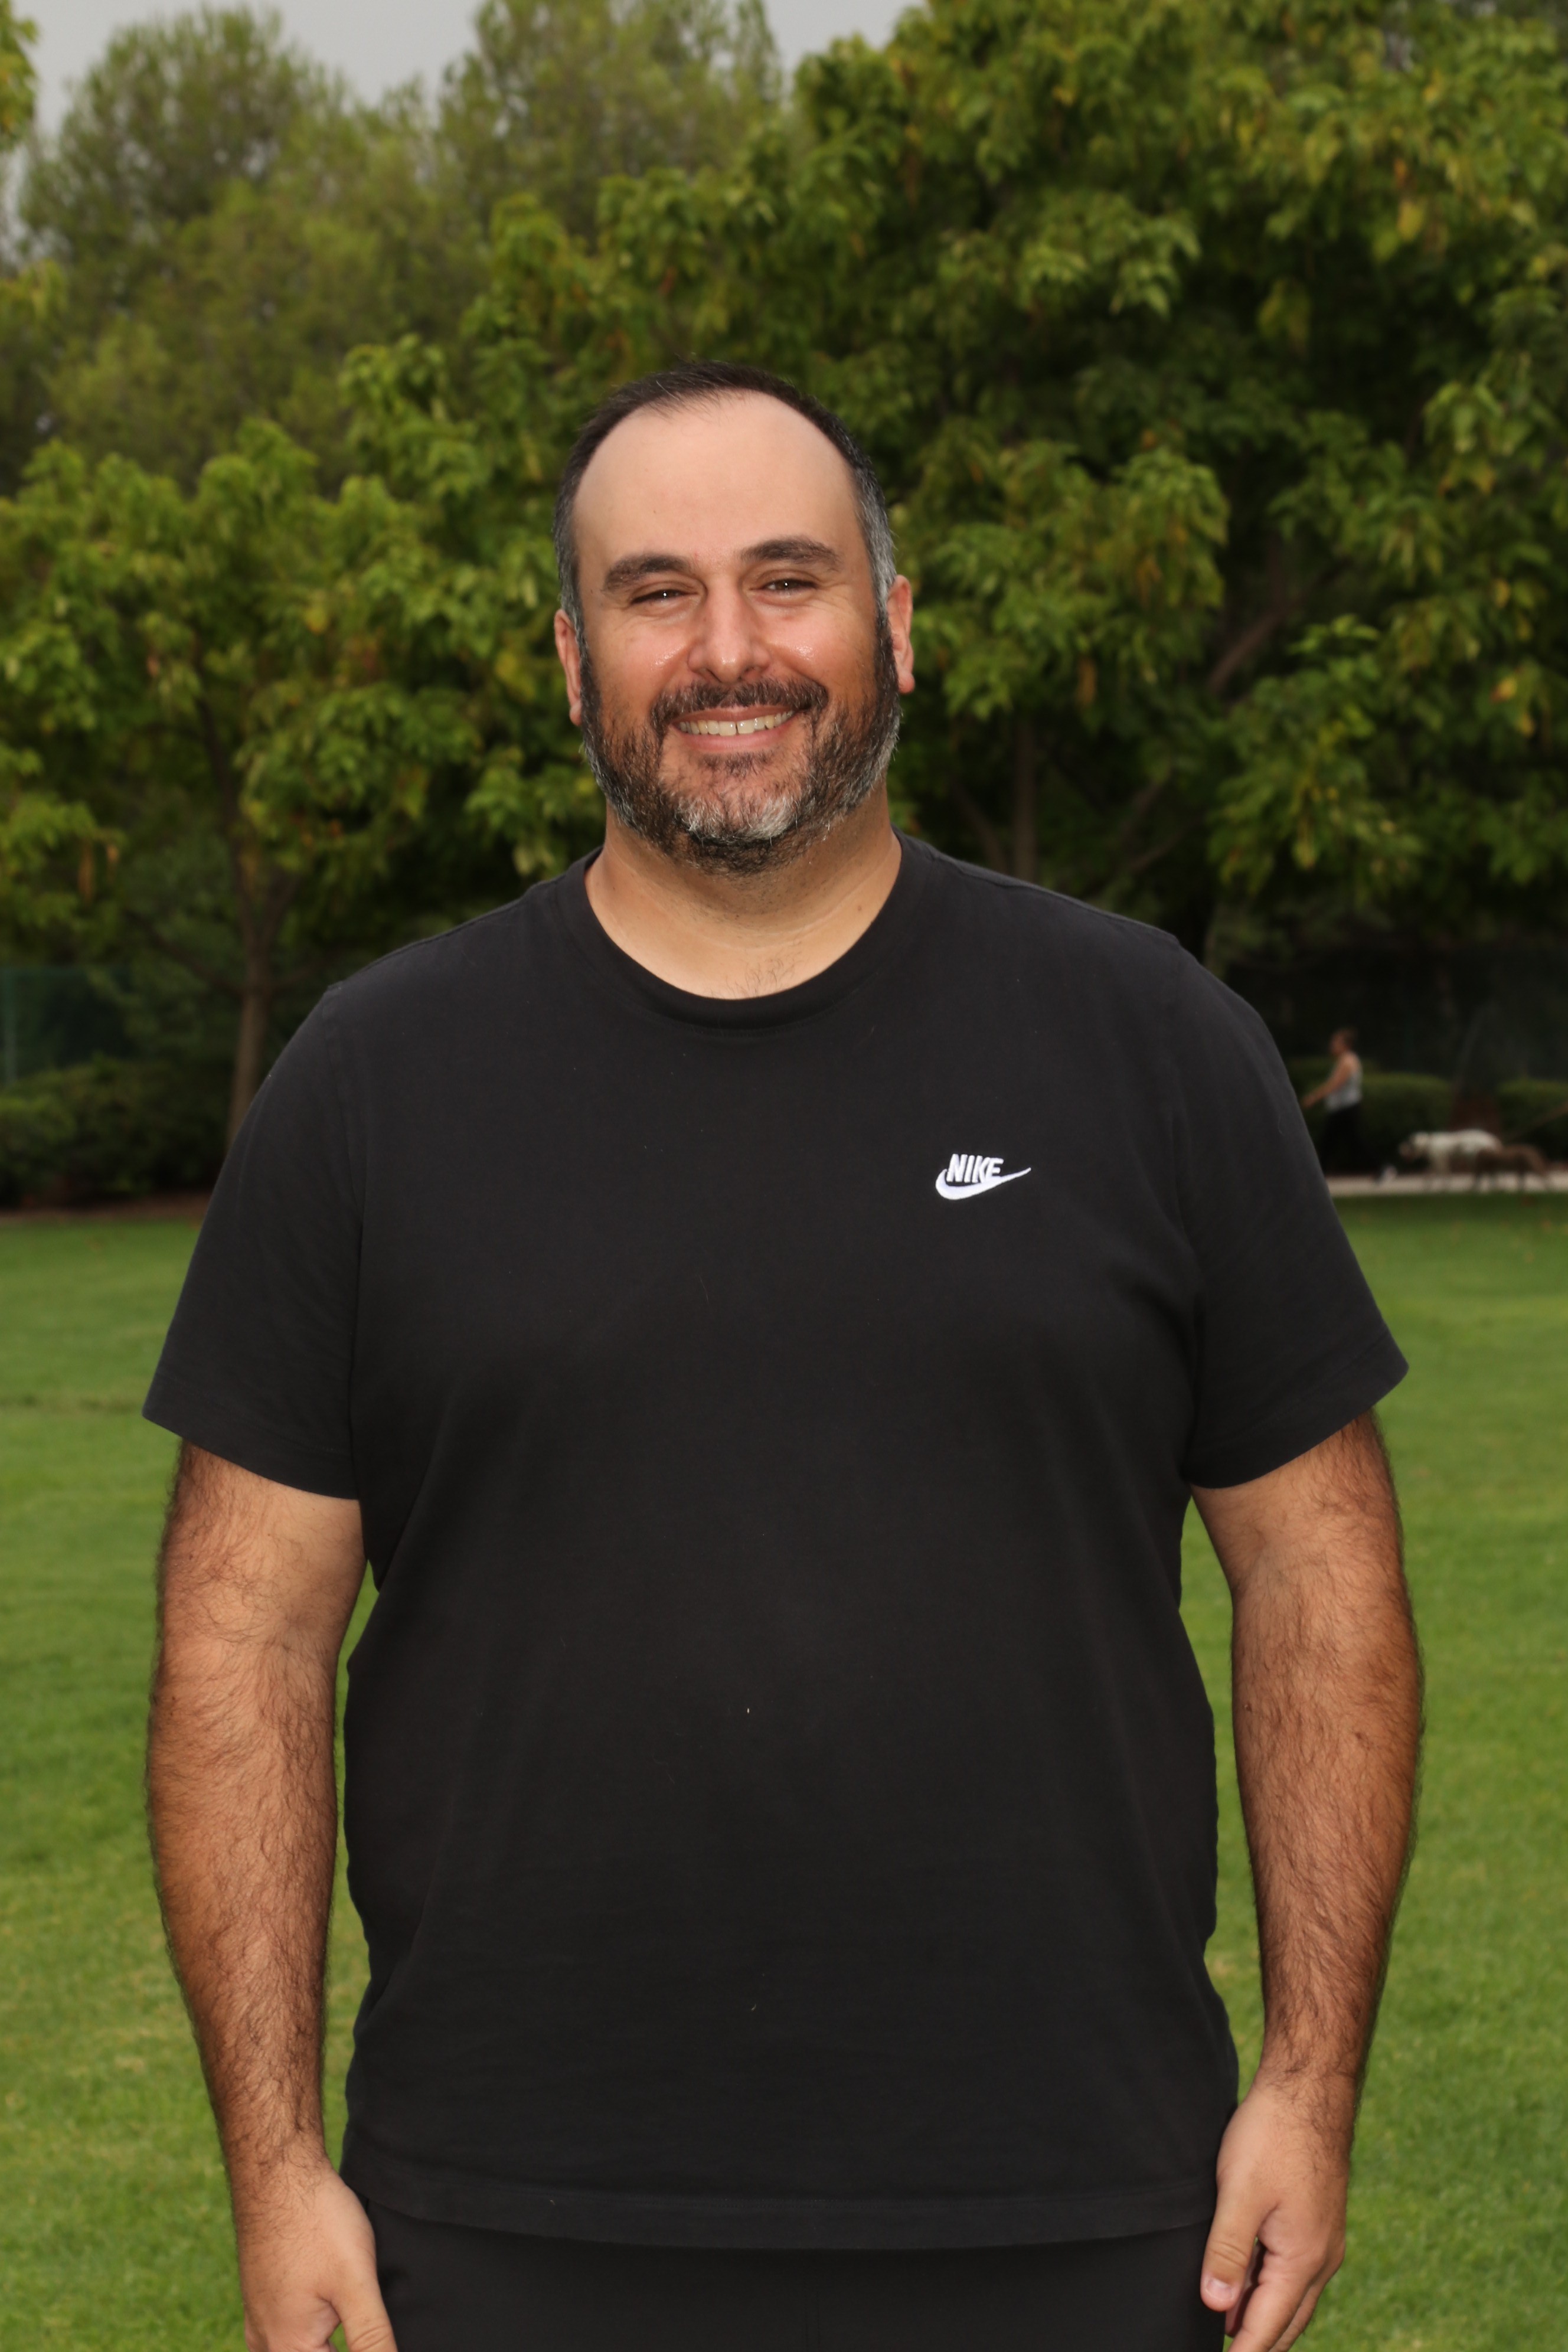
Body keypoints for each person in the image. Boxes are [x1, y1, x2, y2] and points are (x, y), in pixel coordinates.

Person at [144, 363, 1421, 2352]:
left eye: (786, 578)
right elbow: (243, 1640)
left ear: (893, 624)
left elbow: (1321, 1573)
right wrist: (275, 2159)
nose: (726, 649)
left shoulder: (1149, 1043)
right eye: (655, 592)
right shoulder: (372, 1088)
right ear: (572, 660)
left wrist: (1313, 2079)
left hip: (1080, 2207)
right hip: (498, 2221)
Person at [1301, 1031, 1371, 1174]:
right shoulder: (1344, 1060)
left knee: (1348, 1142)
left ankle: (1380, 1168)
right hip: (1340, 1108)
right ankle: (1319, 1172)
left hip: (1346, 1108)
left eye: (1336, 1042)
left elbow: (1334, 1085)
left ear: (1346, 1045)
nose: (1332, 1045)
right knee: (1332, 1142)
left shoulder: (1347, 1062)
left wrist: (1314, 1098)